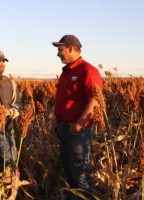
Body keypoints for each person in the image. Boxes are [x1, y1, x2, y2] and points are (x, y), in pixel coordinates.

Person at [52, 35, 102, 198]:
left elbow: (94, 100)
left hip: (77, 132)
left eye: (61, 50)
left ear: (71, 49)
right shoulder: (66, 72)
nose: (58, 54)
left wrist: (79, 124)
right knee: (70, 172)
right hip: (64, 128)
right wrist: (56, 121)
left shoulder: (88, 70)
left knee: (80, 174)